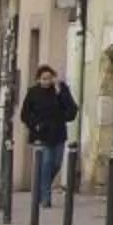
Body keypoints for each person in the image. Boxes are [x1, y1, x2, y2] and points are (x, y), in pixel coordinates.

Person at [19, 65, 78, 213]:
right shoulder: (33, 93)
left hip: (58, 134)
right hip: (41, 135)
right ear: (38, 79)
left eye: (49, 78)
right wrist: (36, 125)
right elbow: (24, 114)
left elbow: (72, 111)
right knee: (45, 164)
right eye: (43, 78)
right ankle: (45, 197)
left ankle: (40, 189)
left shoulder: (60, 90)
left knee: (56, 164)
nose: (46, 81)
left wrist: (62, 92)